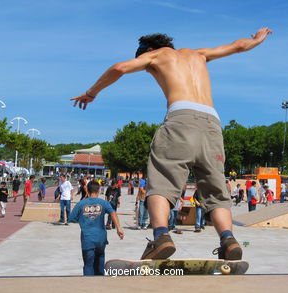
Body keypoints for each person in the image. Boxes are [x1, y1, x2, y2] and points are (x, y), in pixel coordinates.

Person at [70, 28, 272, 260]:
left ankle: (161, 237)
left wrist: (91, 92)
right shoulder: (199, 54)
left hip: (180, 119)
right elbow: (238, 46)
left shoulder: (155, 56)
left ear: (148, 51)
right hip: (212, 125)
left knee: (161, 182)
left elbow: (119, 68)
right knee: (216, 191)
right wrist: (257, 40)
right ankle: (228, 240)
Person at [68, 181, 124, 275]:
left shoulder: (81, 204)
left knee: (88, 264)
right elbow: (113, 213)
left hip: (87, 239)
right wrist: (118, 228)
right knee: (100, 263)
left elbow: (72, 218)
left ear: (88, 191)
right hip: (100, 239)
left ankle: (89, 286)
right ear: (98, 191)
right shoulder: (104, 203)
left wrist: (83, 218)